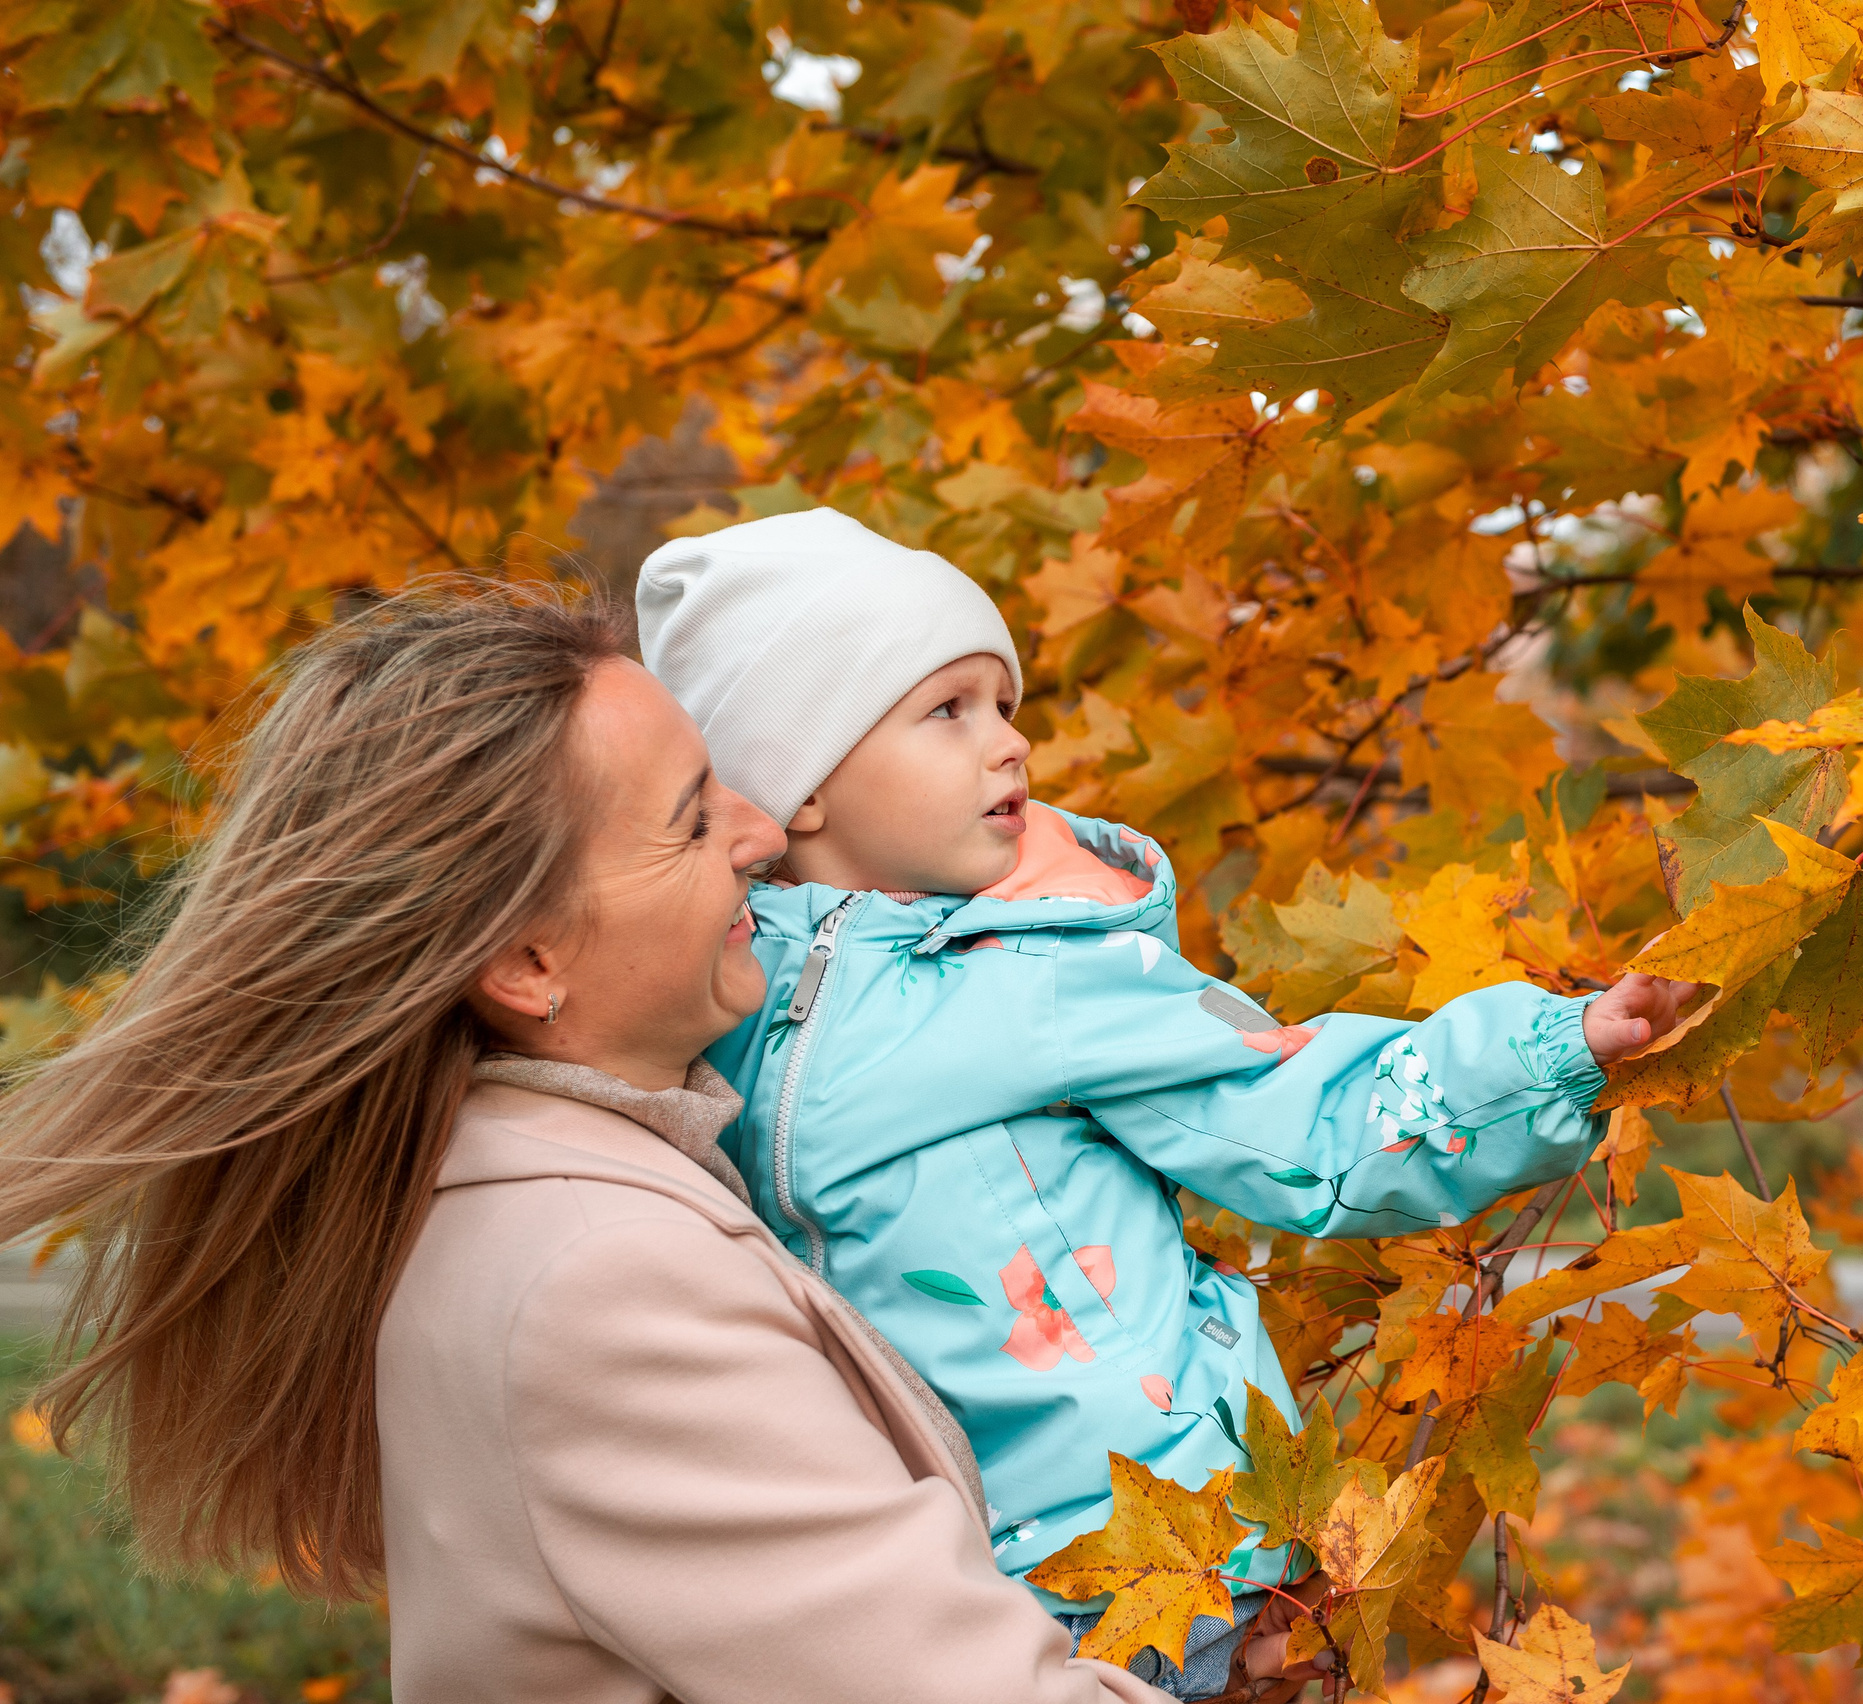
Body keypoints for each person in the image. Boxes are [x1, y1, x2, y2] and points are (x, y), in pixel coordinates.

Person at [0, 586, 1186, 1703]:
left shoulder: (533, 1190)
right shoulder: (603, 1284)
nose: (763, 833)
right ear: (527, 962)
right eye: (692, 818)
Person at [637, 510, 1694, 1698]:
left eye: (1003, 702)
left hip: (1137, 1538)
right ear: (799, 787)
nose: (1009, 744)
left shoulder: (1049, 968)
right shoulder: (705, 974)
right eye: (948, 711)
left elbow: (1300, 1107)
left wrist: (1549, 1049)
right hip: (904, 1569)